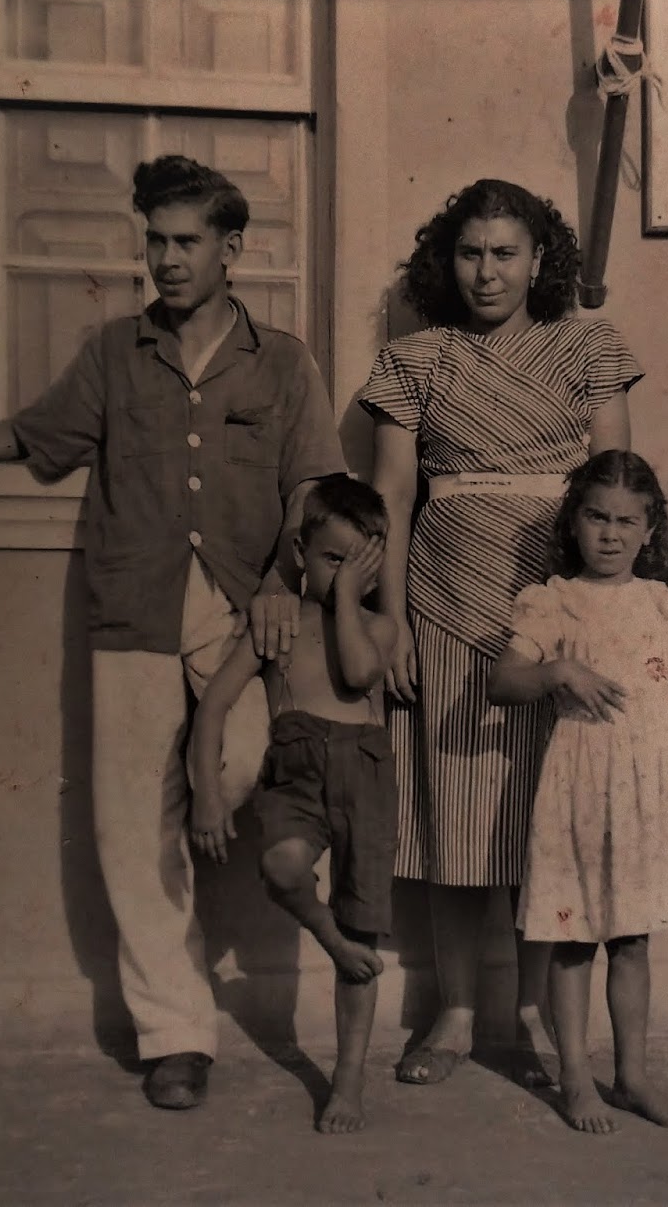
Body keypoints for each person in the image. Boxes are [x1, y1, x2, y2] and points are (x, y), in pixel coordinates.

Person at [0, 155, 347, 1111]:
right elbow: (18, 437)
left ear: (231, 248)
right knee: (132, 825)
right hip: (131, 605)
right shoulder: (114, 354)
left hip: (243, 608)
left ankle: (194, 981)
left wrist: (289, 580)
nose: (164, 259)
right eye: (154, 240)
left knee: (239, 765)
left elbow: (313, 487)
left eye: (186, 241)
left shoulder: (283, 361)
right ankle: (175, 1033)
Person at [361, 179, 642, 1086]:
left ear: (539, 260)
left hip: (556, 604)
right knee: (457, 813)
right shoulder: (416, 360)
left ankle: (529, 1010)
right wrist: (393, 613)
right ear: (448, 261)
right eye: (471, 253)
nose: (487, 271)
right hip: (443, 600)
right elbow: (394, 496)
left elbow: (614, 480)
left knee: (543, 814)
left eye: (506, 252)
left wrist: (602, 615)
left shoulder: (588, 346)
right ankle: (453, 1011)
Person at [488, 450, 668, 1134]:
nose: (611, 533)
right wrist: (559, 668)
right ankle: (574, 1079)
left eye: (628, 520)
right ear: (574, 521)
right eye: (597, 516)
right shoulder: (553, 599)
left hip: (652, 786)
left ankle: (632, 1075)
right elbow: (504, 681)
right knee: (573, 939)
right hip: (582, 784)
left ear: (650, 530)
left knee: (632, 940)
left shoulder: (662, 603)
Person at [190, 475, 398, 1134]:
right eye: (334, 558)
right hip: (298, 767)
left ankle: (347, 1079)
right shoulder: (275, 626)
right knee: (281, 864)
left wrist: (343, 599)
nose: (348, 575)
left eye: (363, 562)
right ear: (301, 552)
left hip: (365, 771)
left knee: (364, 925)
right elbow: (214, 706)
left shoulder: (379, 625)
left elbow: (361, 674)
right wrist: (207, 793)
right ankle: (329, 936)